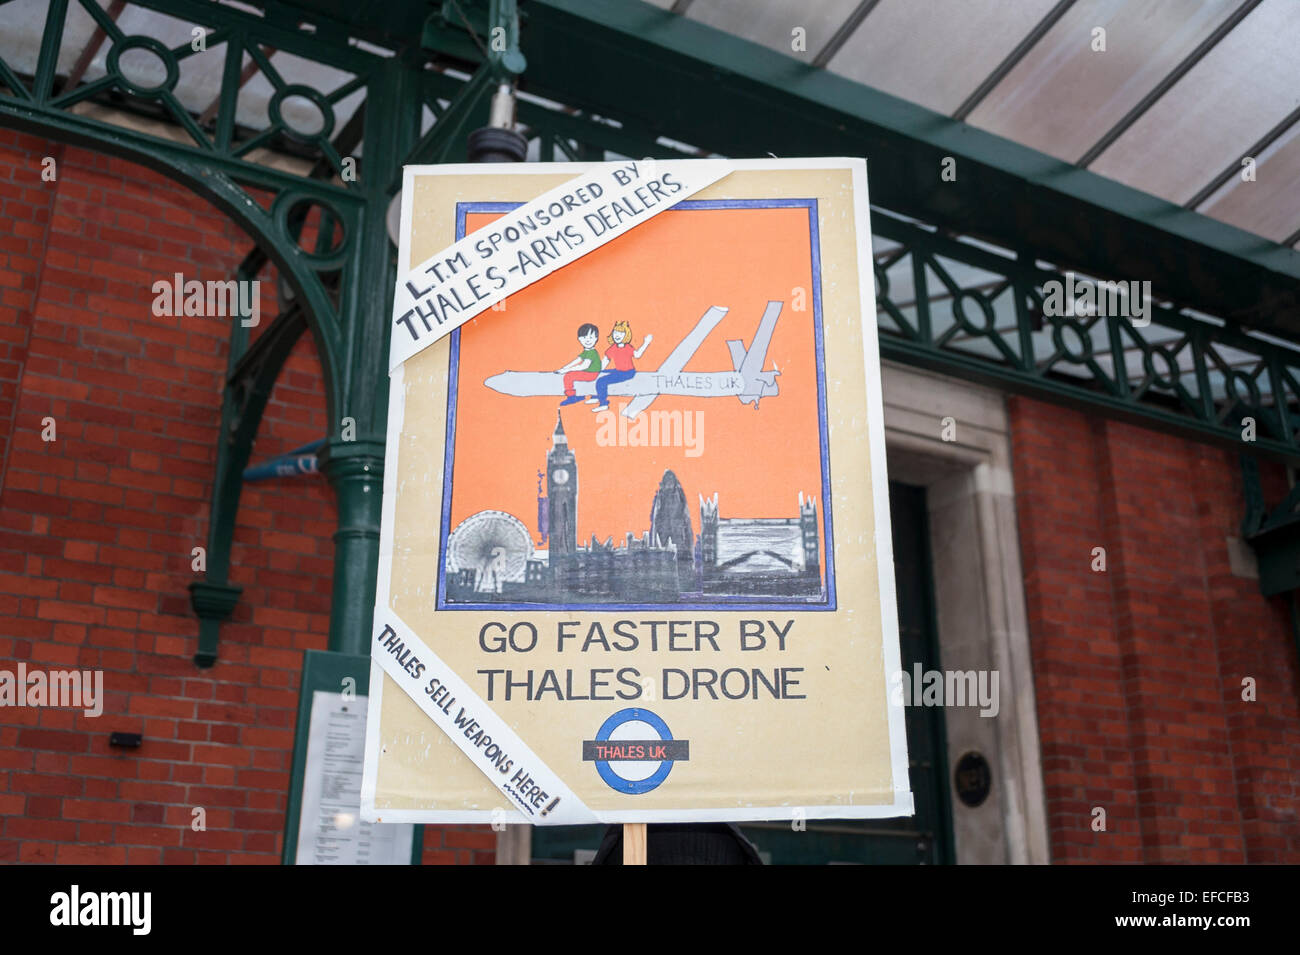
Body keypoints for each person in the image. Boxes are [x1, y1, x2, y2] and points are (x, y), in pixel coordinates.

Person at [592, 320, 652, 412]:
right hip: (619, 370)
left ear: (626, 335)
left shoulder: (628, 347)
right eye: (615, 332)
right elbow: (606, 360)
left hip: (628, 372)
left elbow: (637, 355)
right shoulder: (613, 348)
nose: (617, 335)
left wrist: (646, 343)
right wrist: (597, 370)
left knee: (602, 381)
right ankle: (596, 396)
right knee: (601, 374)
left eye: (621, 333)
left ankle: (603, 403)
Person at [556, 323, 602, 406]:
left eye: (591, 337)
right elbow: (578, 360)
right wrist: (564, 368)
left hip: (592, 374)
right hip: (589, 372)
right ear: (579, 339)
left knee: (568, 376)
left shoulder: (592, 353)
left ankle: (571, 397)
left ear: (596, 339)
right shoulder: (587, 351)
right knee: (568, 374)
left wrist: (567, 370)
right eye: (584, 337)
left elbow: (584, 366)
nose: (587, 340)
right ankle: (576, 396)